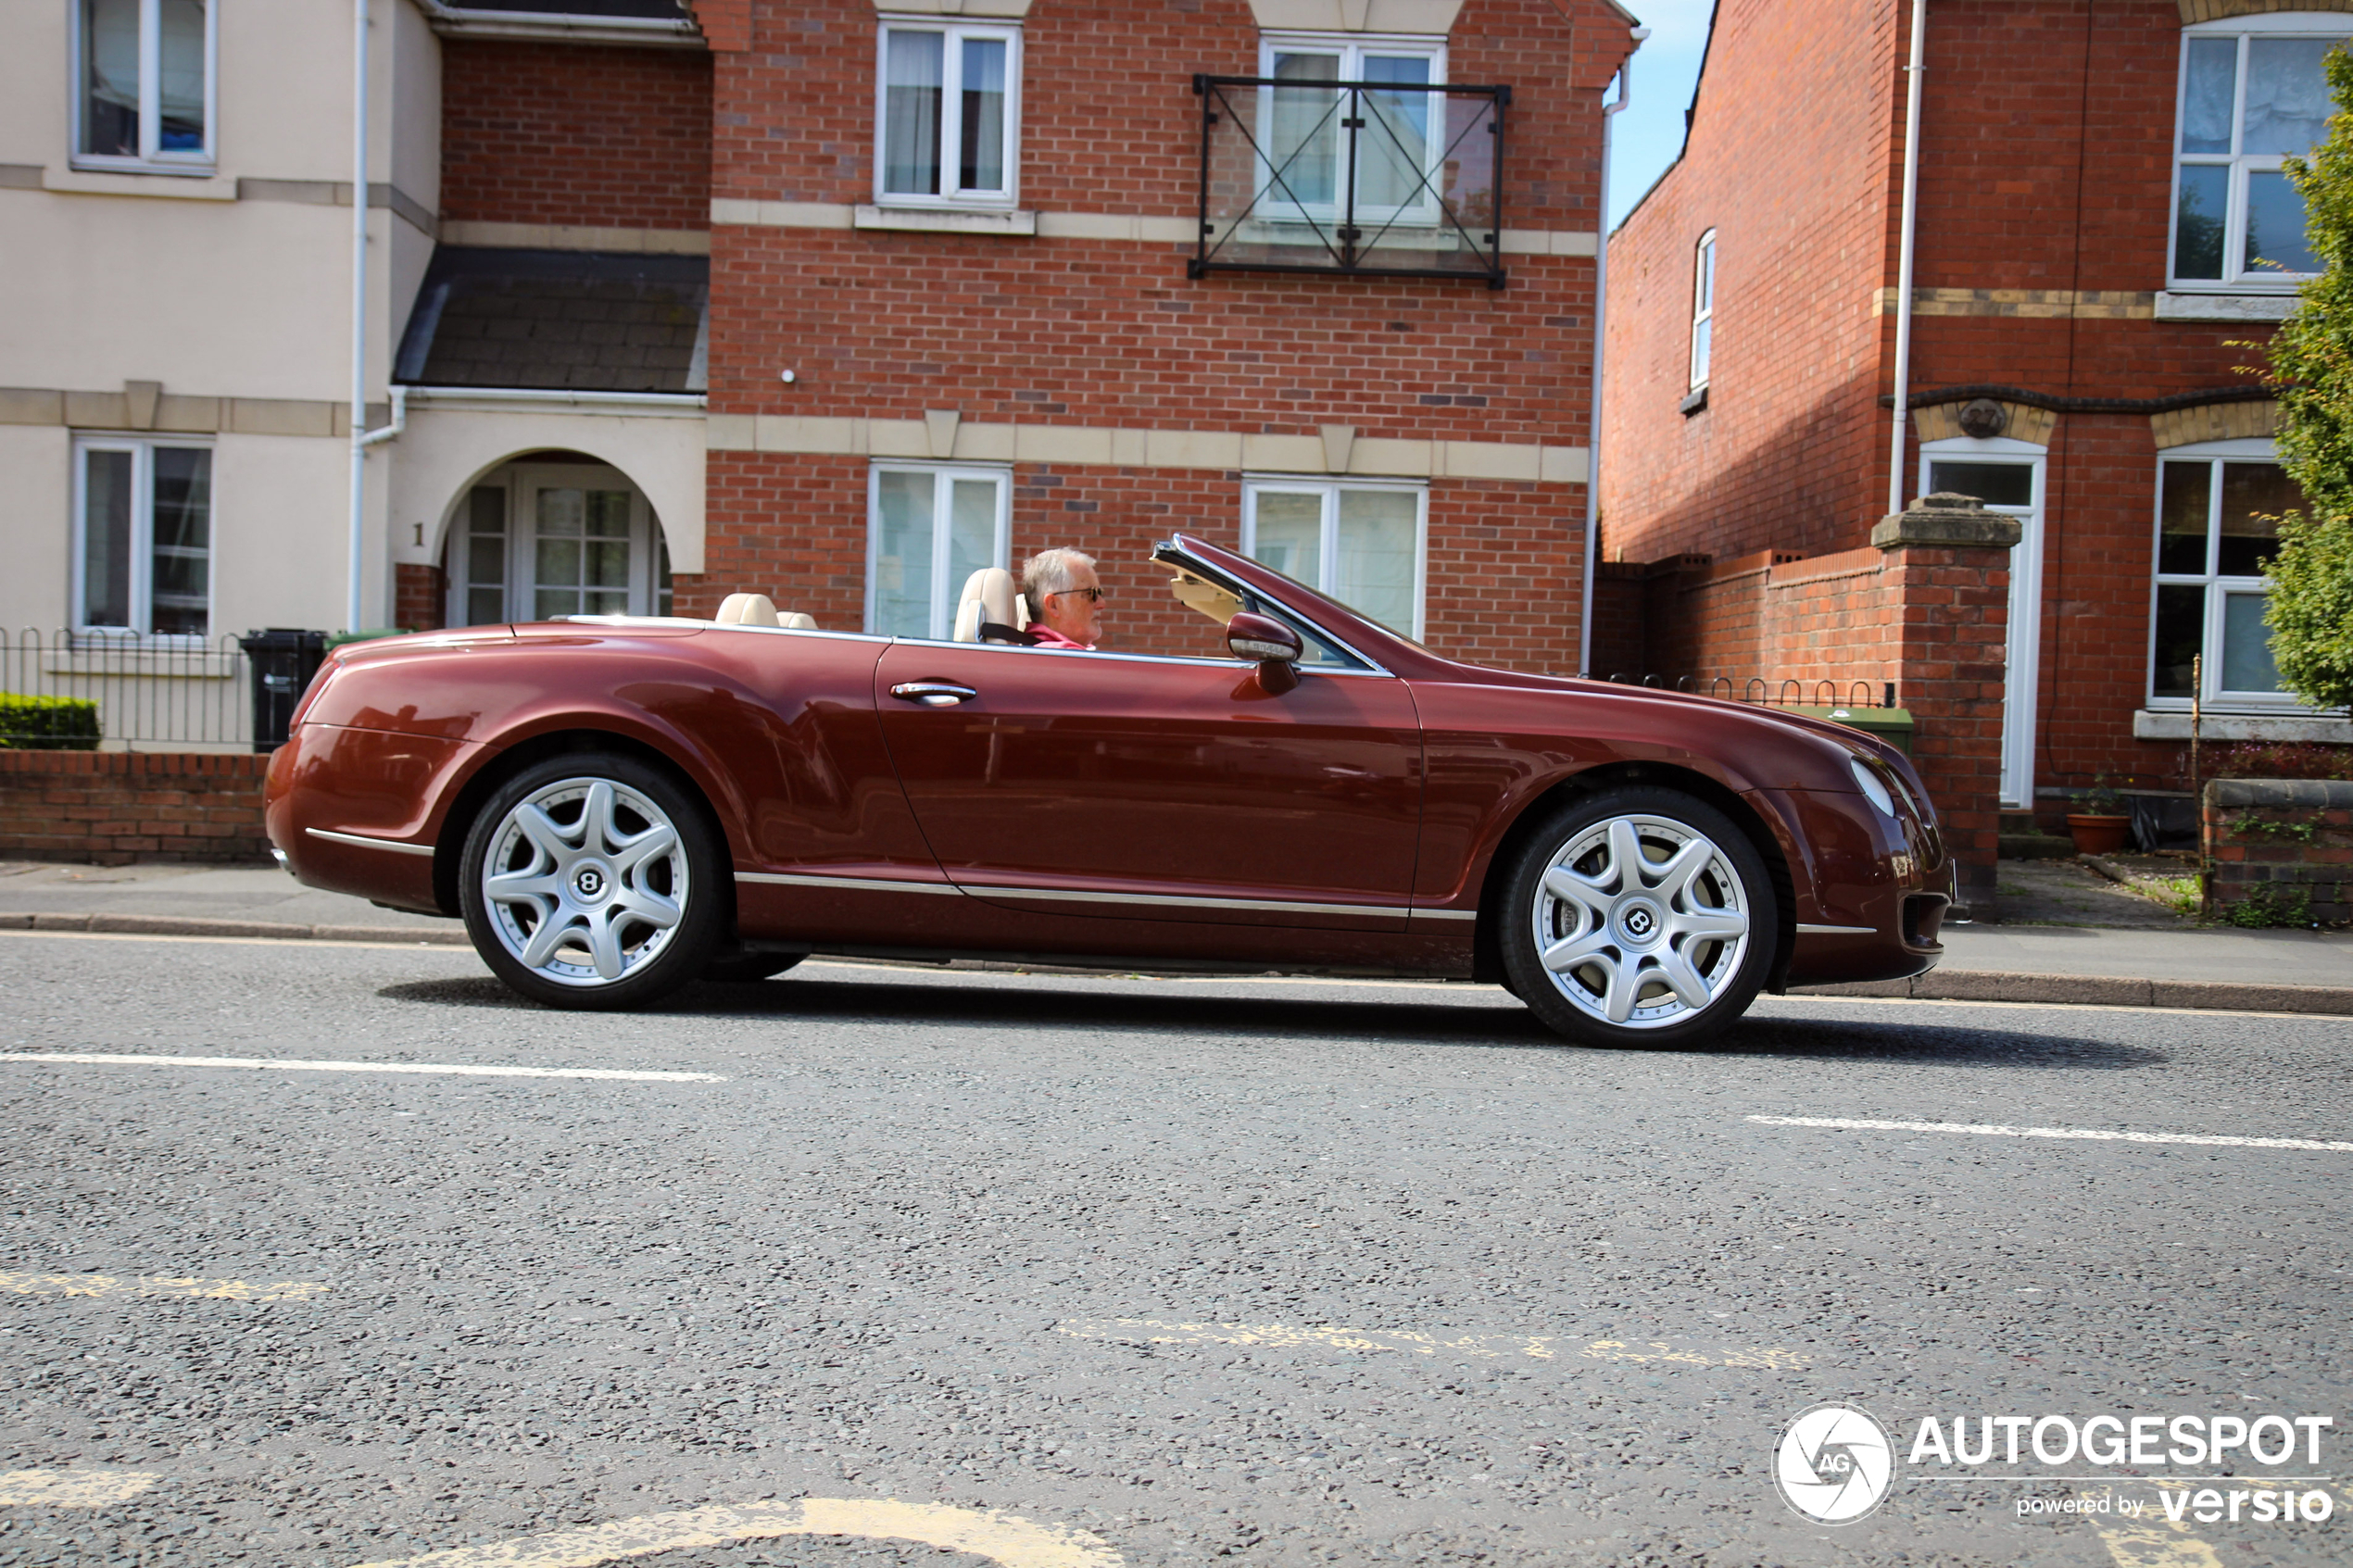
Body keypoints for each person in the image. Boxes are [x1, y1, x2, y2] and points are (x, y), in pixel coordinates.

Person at [1021, 547, 1106, 650]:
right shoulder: (1065, 657)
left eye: (1099, 593)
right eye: (1090, 594)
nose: (1102, 604)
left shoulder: (1036, 654)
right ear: (1053, 605)